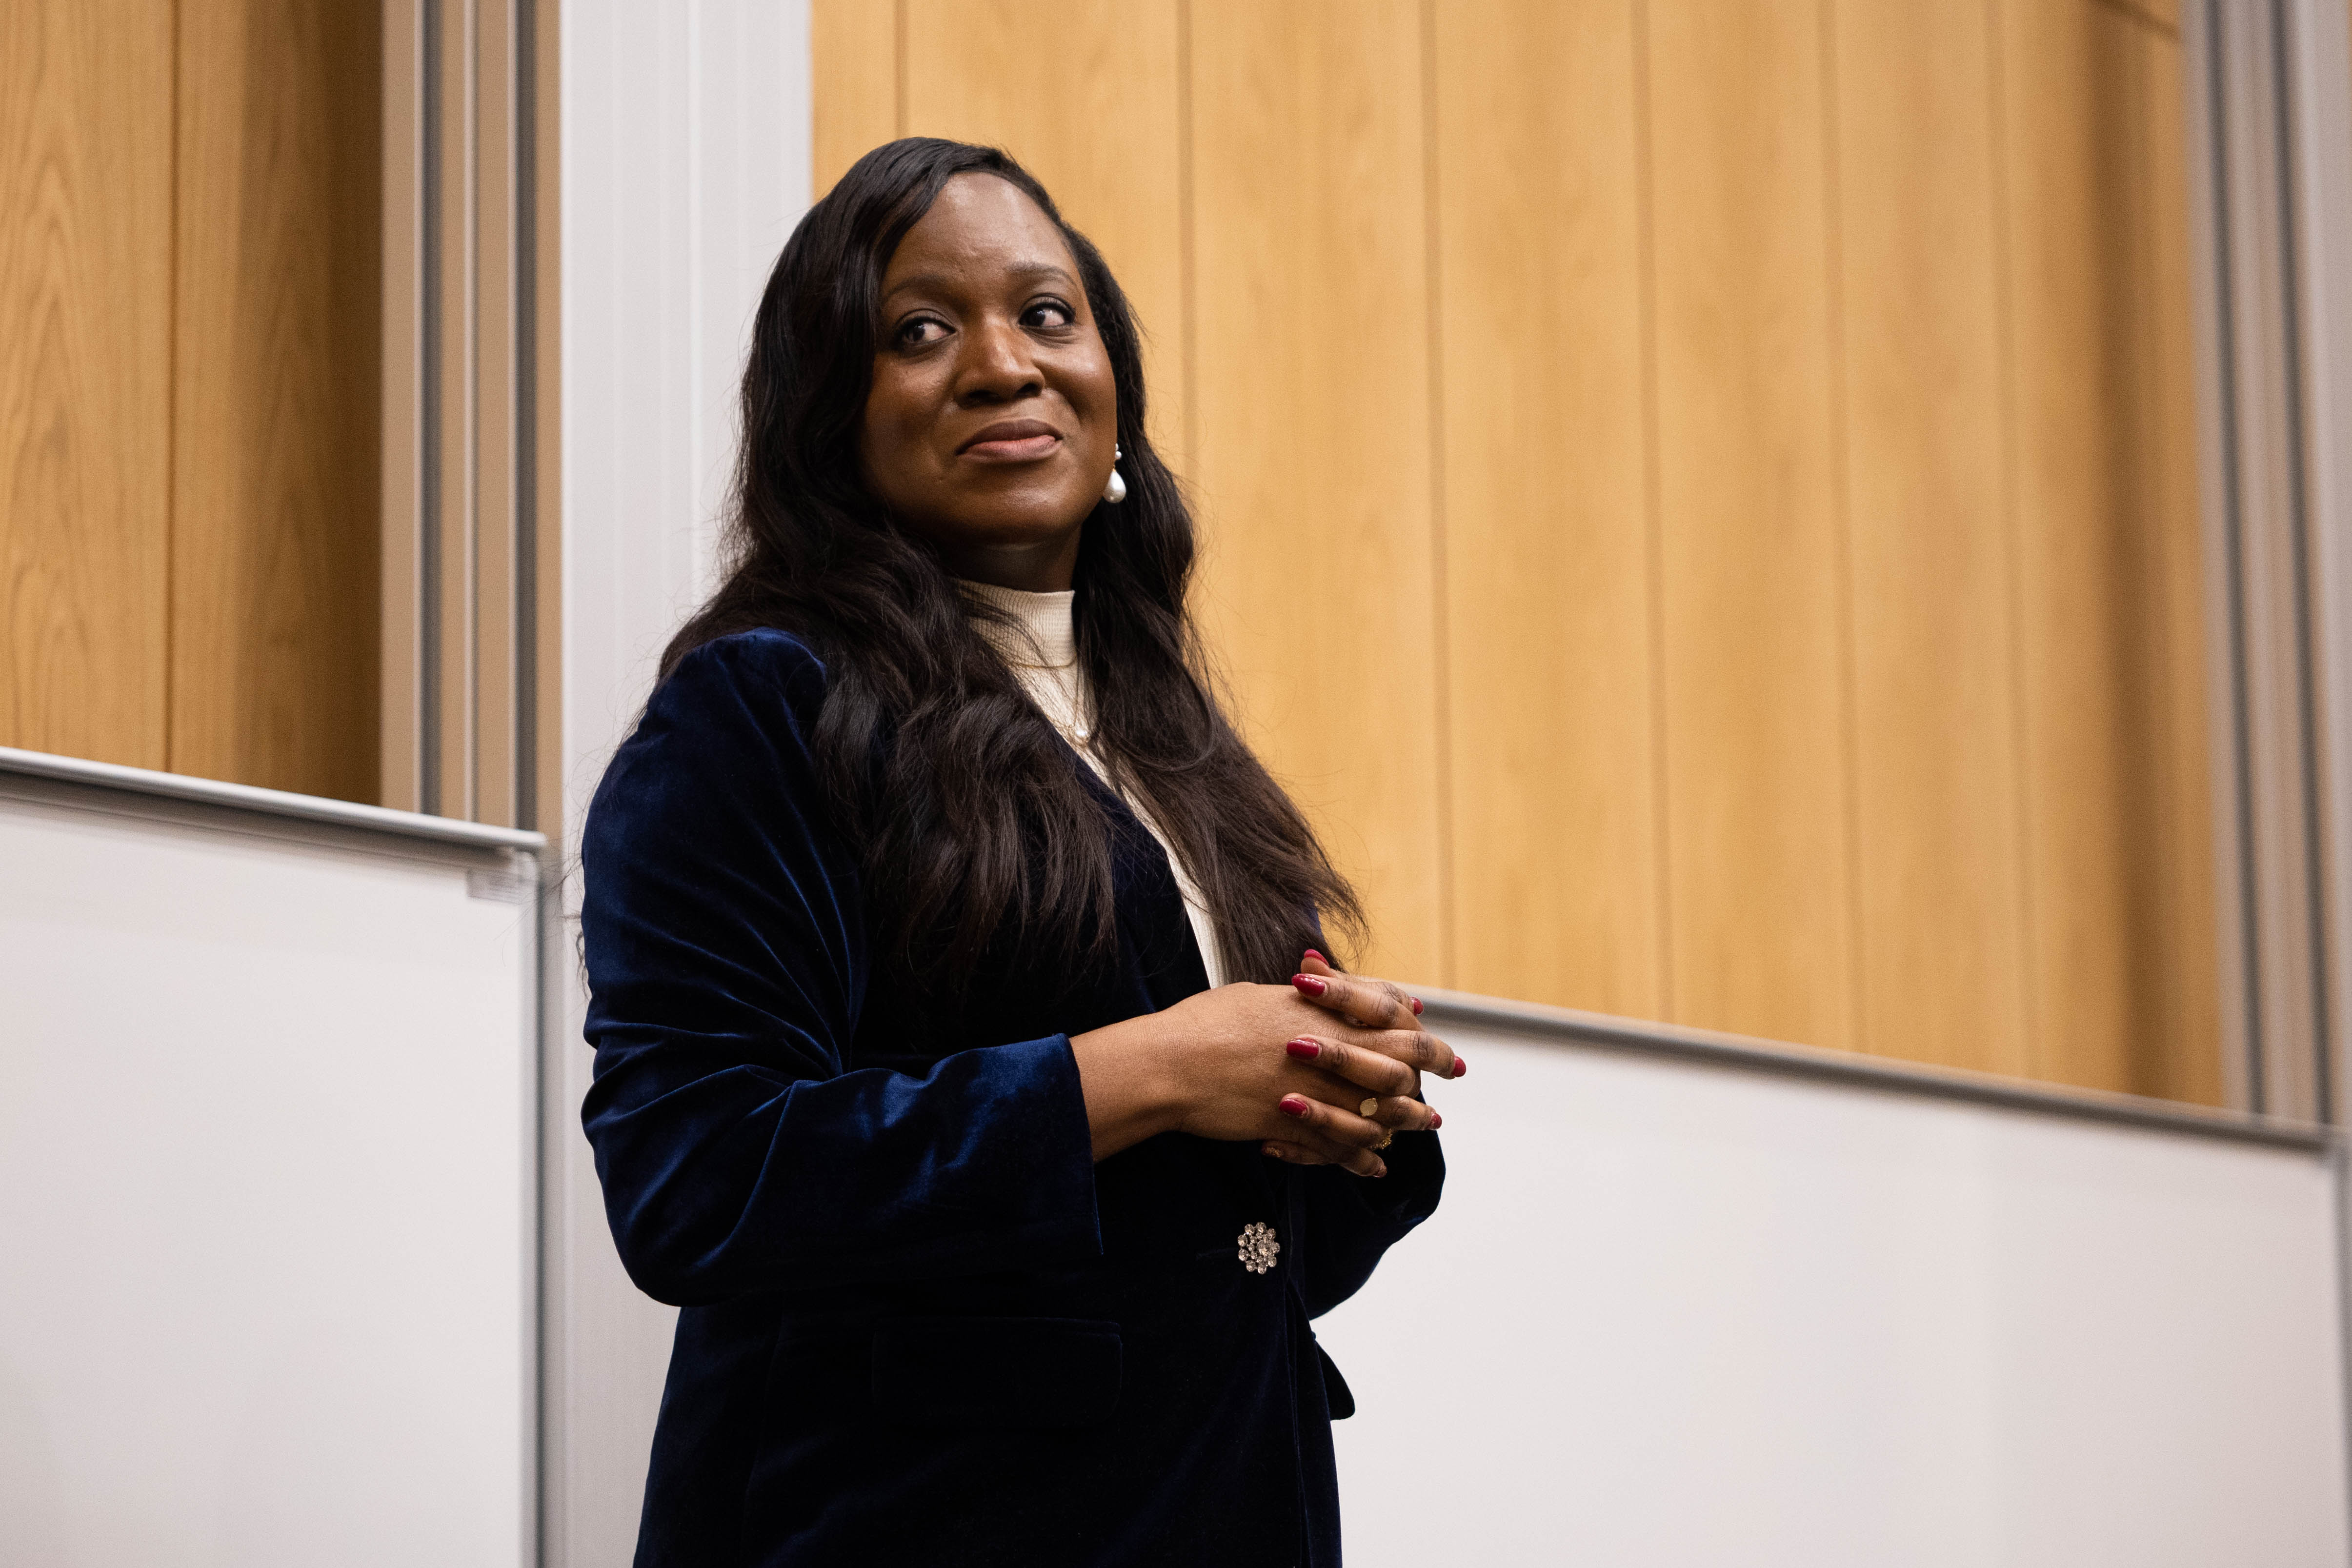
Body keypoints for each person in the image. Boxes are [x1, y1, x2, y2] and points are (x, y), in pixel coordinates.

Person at [579, 137, 1459, 1568]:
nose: (1003, 364)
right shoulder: (757, 708)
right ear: (830, 417)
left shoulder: (1172, 742)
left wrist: (1344, 1107)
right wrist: (1164, 1068)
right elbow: (700, 1180)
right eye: (920, 332)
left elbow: (1219, 1246)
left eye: (1047, 315)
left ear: (1114, 380)